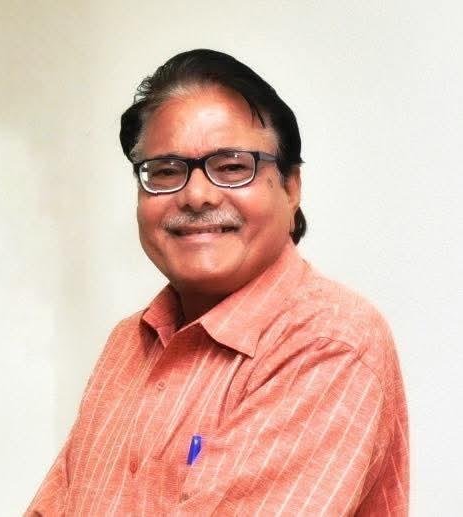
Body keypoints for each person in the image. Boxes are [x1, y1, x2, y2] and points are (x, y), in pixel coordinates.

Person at [26, 49, 409, 516]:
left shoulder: (329, 341)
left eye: (231, 167)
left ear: (291, 186)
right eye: (165, 171)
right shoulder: (128, 343)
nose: (196, 195)